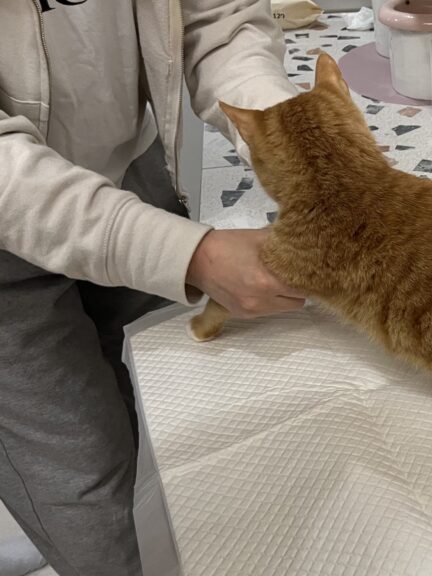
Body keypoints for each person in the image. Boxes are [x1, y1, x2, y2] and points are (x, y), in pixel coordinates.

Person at [0, 1, 307, 573]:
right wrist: (191, 255)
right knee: (90, 493)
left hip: (128, 168)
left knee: (172, 426)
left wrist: (289, 139)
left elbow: (218, 19)